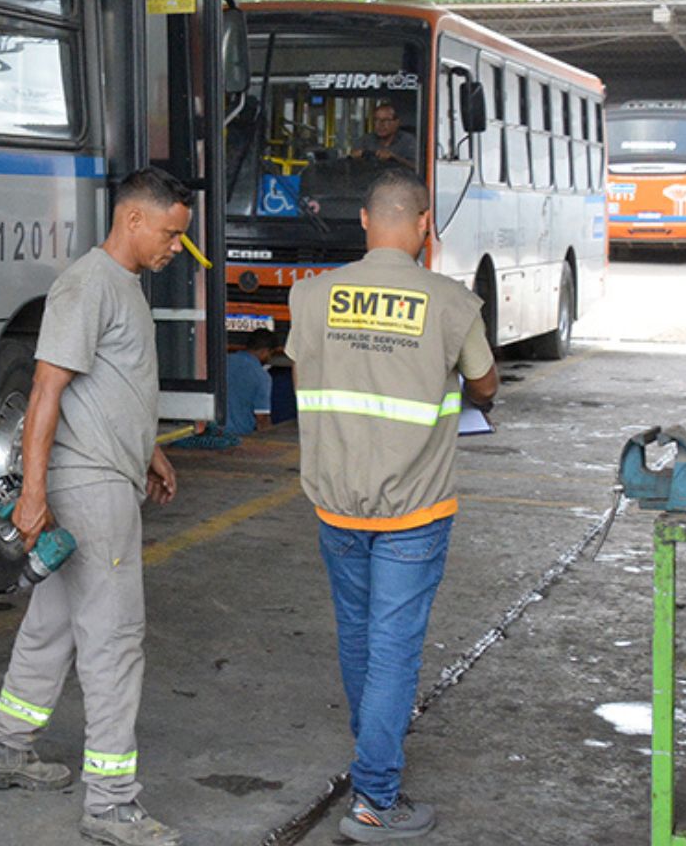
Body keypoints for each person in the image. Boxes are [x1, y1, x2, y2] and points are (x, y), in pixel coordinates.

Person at [0, 167, 192, 846]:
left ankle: (5, 749)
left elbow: (112, 385)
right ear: (132, 219)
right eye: (171, 232)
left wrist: (148, 448)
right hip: (90, 488)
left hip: (107, 475)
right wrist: (32, 494)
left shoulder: (121, 287)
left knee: (55, 625)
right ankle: (111, 802)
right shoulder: (88, 284)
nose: (176, 247)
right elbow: (45, 391)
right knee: (115, 642)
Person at [287, 171, 498, 841]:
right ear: (424, 225)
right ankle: (375, 797)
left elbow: (304, 372)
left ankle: (372, 748)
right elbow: (486, 382)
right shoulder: (450, 301)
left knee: (359, 635)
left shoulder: (311, 297)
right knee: (394, 649)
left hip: (337, 506)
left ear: (364, 222)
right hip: (413, 510)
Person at [352, 100, 418, 169]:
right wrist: (356, 158)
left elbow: (418, 168)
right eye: (376, 120)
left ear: (397, 122)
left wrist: (394, 158)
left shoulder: (409, 141)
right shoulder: (365, 140)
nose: (380, 124)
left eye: (386, 120)